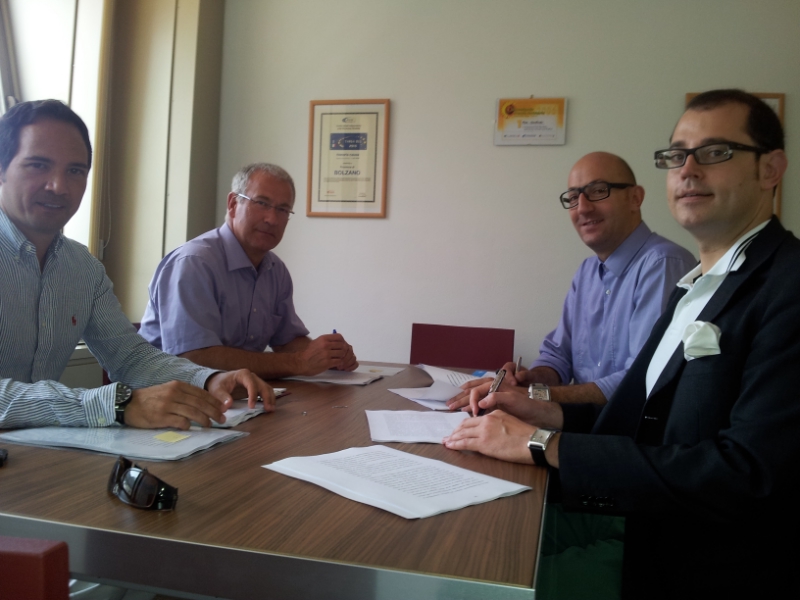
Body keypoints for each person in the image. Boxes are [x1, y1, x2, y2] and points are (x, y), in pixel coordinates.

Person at [444, 89, 797, 598]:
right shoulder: (695, 287)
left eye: (715, 152)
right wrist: (538, 409)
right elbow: (642, 417)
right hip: (632, 512)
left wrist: (543, 444)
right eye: (677, 156)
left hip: (693, 563)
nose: (688, 170)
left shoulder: (786, 285)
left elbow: (748, 475)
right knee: (461, 531)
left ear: (770, 169)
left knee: (473, 573)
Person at [0, 99, 274, 430]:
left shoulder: (82, 268)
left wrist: (209, 379)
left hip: (37, 452)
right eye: (37, 165)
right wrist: (116, 403)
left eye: (75, 171)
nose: (58, 186)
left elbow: (129, 357)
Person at [448, 152, 695, 409]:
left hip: (626, 429)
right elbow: (559, 357)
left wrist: (532, 395)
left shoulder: (663, 264)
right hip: (578, 422)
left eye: (598, 191)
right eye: (574, 198)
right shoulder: (587, 272)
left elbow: (642, 379)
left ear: (635, 198)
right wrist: (528, 380)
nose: (583, 208)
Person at [138, 163, 358, 379]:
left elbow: (287, 341)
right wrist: (298, 363)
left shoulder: (275, 270)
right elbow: (195, 358)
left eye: (282, 209)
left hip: (238, 393)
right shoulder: (194, 263)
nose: (272, 219)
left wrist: (328, 355)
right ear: (233, 203)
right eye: (262, 203)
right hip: (165, 394)